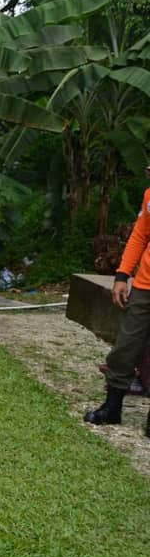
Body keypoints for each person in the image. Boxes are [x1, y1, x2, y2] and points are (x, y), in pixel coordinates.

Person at [86, 185, 150, 433]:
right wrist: (122, 276)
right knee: (126, 345)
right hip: (144, 285)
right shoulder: (148, 194)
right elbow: (140, 235)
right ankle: (112, 408)